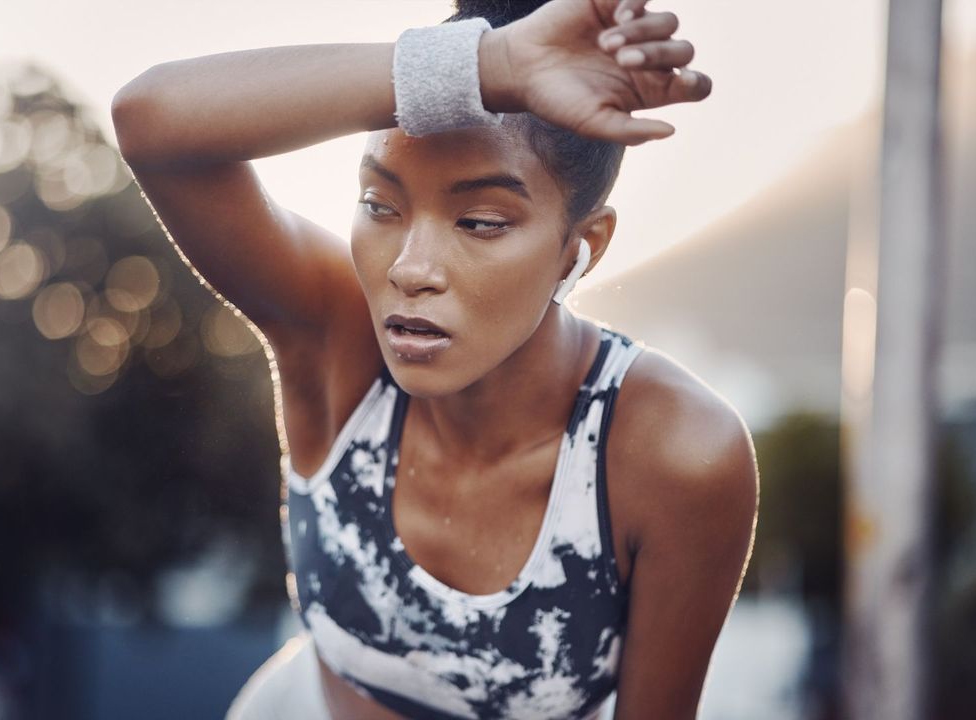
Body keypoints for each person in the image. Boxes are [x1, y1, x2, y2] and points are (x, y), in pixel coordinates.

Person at [111, 0, 758, 717]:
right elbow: (150, 119)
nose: (410, 269)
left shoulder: (674, 453)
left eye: (479, 221)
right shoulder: (334, 333)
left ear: (582, 247)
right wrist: (490, 66)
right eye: (380, 205)